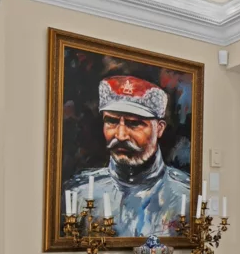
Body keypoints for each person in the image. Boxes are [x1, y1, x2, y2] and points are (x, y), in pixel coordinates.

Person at [65, 76, 190, 237]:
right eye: (112, 121)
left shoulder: (185, 195)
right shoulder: (79, 194)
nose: (121, 135)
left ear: (159, 129)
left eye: (134, 123)